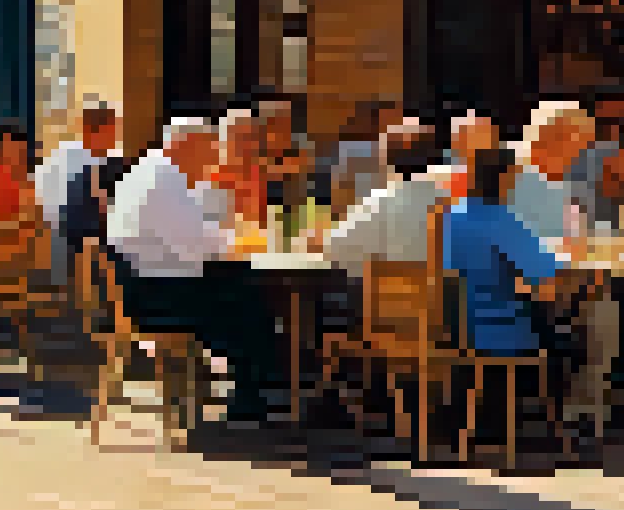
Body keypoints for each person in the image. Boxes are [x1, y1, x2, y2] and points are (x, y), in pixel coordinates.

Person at [104, 117, 283, 423]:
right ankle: (256, 399)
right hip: (157, 298)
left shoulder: (150, 171)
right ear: (187, 146)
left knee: (246, 290)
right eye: (208, 150)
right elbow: (197, 246)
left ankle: (256, 393)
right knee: (255, 301)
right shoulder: (164, 179)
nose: (212, 158)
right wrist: (239, 242)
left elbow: (194, 241)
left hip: (143, 288)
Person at [440, 148, 568, 441]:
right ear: (507, 180)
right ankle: (561, 427)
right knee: (572, 338)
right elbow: (548, 276)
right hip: (498, 329)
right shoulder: (502, 220)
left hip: (454, 326)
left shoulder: (450, 217)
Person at [322, 120, 451, 276]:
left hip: (383, 295)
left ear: (388, 160)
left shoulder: (378, 203)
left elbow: (335, 250)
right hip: (437, 295)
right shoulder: (453, 198)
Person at [36, 99, 125, 289]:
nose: (114, 137)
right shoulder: (67, 158)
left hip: (86, 236)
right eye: (110, 131)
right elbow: (50, 207)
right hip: (66, 239)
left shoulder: (112, 161)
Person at [511, 102, 604, 242]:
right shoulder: (521, 184)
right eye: (573, 135)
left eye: (587, 139)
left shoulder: (574, 181)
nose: (584, 148)